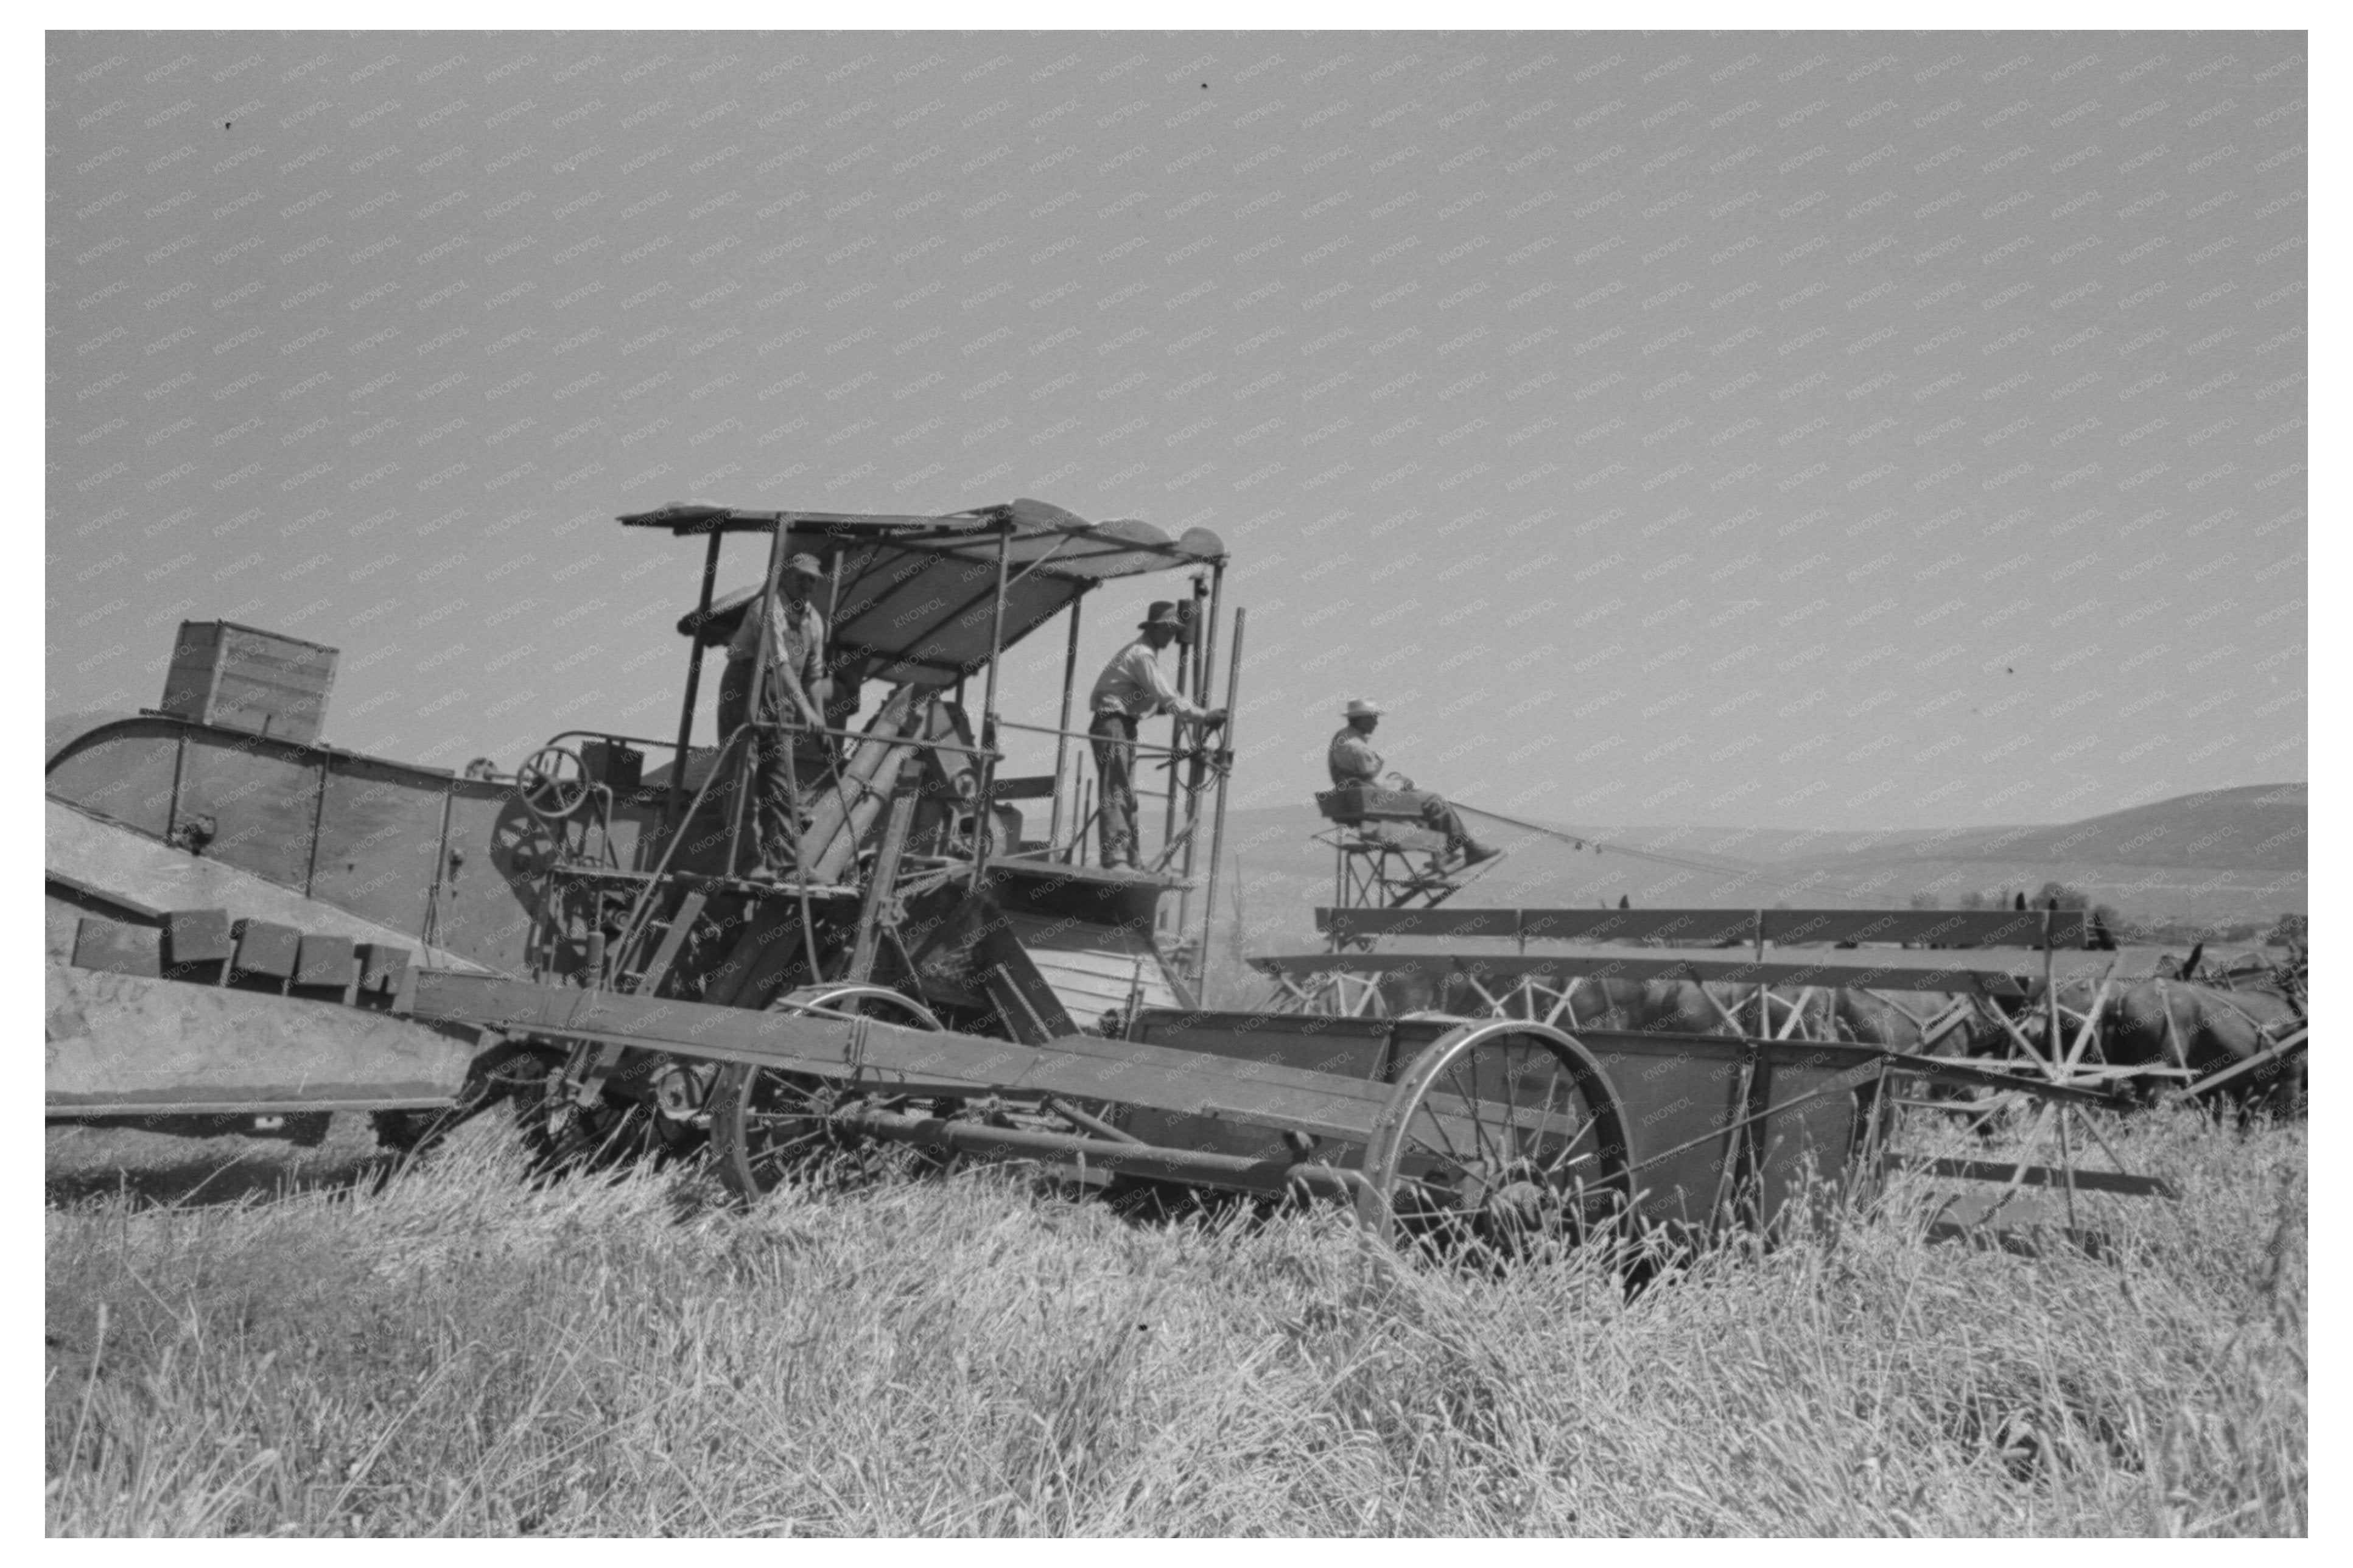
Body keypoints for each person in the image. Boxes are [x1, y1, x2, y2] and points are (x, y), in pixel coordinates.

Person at [717, 551, 832, 878]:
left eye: (812, 579)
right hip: (745, 691)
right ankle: (747, 864)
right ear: (785, 577)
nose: (807, 584)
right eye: (801, 577)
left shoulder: (815, 622)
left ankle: (787, 864)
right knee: (744, 778)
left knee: (782, 786)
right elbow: (778, 661)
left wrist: (820, 722)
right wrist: (806, 710)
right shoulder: (767, 610)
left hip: (781, 699)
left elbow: (813, 676)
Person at [1087, 601, 1226, 870]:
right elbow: (1166, 696)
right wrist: (1204, 716)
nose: (1171, 637)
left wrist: (1158, 707)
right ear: (1156, 629)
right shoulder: (1142, 655)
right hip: (1113, 723)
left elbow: (1153, 697)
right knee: (1117, 788)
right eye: (1169, 630)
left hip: (1121, 724)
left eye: (1175, 631)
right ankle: (1116, 857)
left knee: (1124, 790)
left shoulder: (1142, 654)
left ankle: (1130, 857)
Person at [1327, 698, 1499, 868]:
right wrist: (1400, 784)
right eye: (1374, 718)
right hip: (1373, 803)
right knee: (1434, 800)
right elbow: (1375, 787)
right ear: (1363, 718)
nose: (1377, 723)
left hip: (1358, 801)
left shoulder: (1341, 737)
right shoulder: (1356, 746)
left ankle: (1445, 854)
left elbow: (1363, 780)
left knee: (1423, 802)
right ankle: (1468, 849)